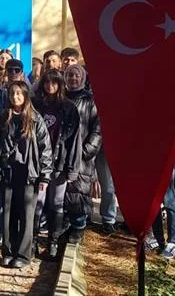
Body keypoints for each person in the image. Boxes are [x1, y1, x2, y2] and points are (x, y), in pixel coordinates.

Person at [0, 81, 52, 269]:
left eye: (19, 94)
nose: (15, 97)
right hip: (8, 172)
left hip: (29, 174)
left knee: (27, 215)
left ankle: (23, 254)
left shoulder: (35, 119)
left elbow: (46, 148)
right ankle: (8, 251)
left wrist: (45, 175)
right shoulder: (4, 117)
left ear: (26, 96)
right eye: (12, 94)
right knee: (7, 214)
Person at [34, 70, 80, 258]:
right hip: (38, 161)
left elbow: (74, 140)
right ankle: (33, 241)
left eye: (54, 83)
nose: (50, 86)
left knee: (56, 203)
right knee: (38, 202)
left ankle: (52, 243)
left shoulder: (69, 108)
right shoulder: (36, 104)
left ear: (60, 84)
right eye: (47, 82)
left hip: (60, 162)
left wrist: (72, 169)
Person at [63, 64, 100, 243]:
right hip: (62, 153)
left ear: (83, 78)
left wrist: (87, 151)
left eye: (76, 75)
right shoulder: (60, 97)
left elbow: (97, 129)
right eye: (69, 75)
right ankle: (64, 225)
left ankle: (78, 226)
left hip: (82, 154)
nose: (73, 78)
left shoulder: (91, 100)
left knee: (79, 191)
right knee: (63, 192)